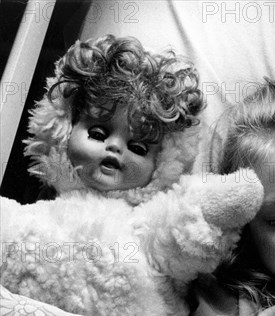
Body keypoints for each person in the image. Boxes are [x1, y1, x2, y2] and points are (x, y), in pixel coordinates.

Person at [25, 34, 204, 202]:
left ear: (162, 164)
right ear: (64, 132)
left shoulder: (157, 221)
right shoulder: (40, 210)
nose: (115, 147)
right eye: (97, 134)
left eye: (138, 148)